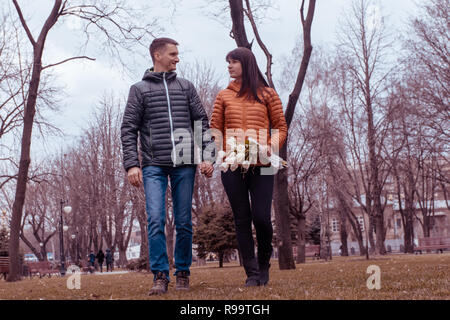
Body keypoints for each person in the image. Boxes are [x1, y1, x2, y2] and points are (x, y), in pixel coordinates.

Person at [121, 37, 214, 295]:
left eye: (177, 54)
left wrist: (208, 156)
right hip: (153, 166)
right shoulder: (139, 90)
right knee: (155, 220)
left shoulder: (186, 87)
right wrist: (132, 164)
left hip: (184, 163)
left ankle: (182, 272)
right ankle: (160, 276)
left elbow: (201, 123)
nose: (177, 58)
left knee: (184, 221)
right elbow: (128, 129)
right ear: (157, 56)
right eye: (173, 54)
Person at [210, 47, 287, 287]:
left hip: (262, 164)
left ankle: (264, 263)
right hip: (233, 165)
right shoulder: (223, 96)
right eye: (228, 62)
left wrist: (269, 146)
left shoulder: (268, 95)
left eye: (233, 62)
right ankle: (252, 274)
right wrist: (222, 152)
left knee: (262, 218)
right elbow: (214, 129)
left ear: (246, 64)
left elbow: (281, 128)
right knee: (242, 219)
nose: (229, 66)